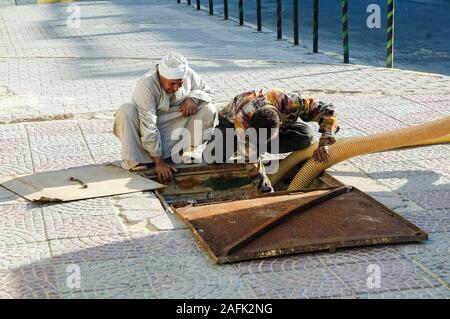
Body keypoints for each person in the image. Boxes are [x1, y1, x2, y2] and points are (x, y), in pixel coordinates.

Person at [205, 88, 339, 193]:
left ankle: (258, 144)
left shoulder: (289, 102)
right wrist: (267, 192)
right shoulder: (242, 121)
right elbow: (252, 166)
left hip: (268, 126)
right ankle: (242, 145)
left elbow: (328, 110)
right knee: (212, 157)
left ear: (280, 124)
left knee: (305, 137)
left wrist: (325, 143)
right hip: (230, 123)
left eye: (267, 141)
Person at [113, 53, 217, 182]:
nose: (176, 88)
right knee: (126, 111)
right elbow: (148, 125)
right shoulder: (146, 85)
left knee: (208, 108)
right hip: (149, 126)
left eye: (180, 84)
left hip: (175, 122)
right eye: (172, 83)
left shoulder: (189, 73)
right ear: (161, 76)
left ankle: (187, 151)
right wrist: (159, 163)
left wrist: (193, 98)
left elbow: (208, 92)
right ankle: (137, 160)